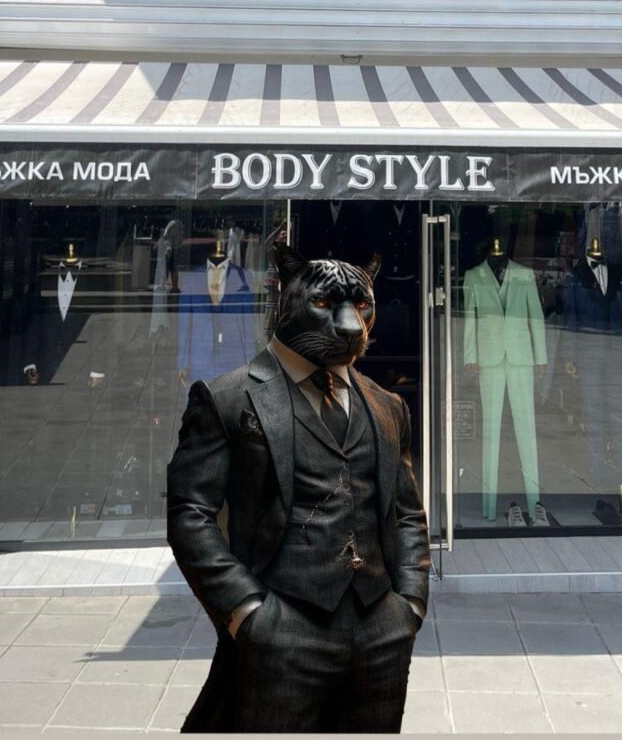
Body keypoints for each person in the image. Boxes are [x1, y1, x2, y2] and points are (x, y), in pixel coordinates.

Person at [167, 243, 431, 733]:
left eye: (362, 306)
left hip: (381, 636)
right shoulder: (225, 398)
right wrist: (246, 613)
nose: (351, 326)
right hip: (280, 633)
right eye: (325, 304)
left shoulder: (388, 406)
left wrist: (410, 604)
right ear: (286, 298)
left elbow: (407, 513)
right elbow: (190, 513)